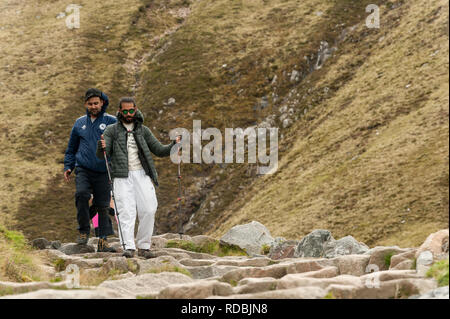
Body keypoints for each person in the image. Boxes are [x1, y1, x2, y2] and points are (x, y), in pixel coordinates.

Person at [96, 97, 181, 259]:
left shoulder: (144, 130)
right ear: (120, 112)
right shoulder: (111, 130)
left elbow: (159, 150)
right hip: (121, 176)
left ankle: (144, 246)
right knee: (125, 212)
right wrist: (101, 147)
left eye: (131, 110)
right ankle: (128, 247)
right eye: (125, 111)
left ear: (135, 110)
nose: (128, 114)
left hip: (142, 173)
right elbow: (102, 154)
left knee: (149, 209)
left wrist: (173, 145)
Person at [64, 88, 117, 252]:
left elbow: (120, 145)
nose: (93, 106)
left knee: (101, 206)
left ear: (102, 103)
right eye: (90, 103)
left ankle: (102, 240)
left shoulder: (111, 121)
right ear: (85, 104)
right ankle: (83, 230)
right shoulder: (79, 123)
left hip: (103, 170)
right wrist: (68, 166)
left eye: (96, 103)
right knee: (82, 195)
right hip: (83, 168)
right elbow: (71, 148)